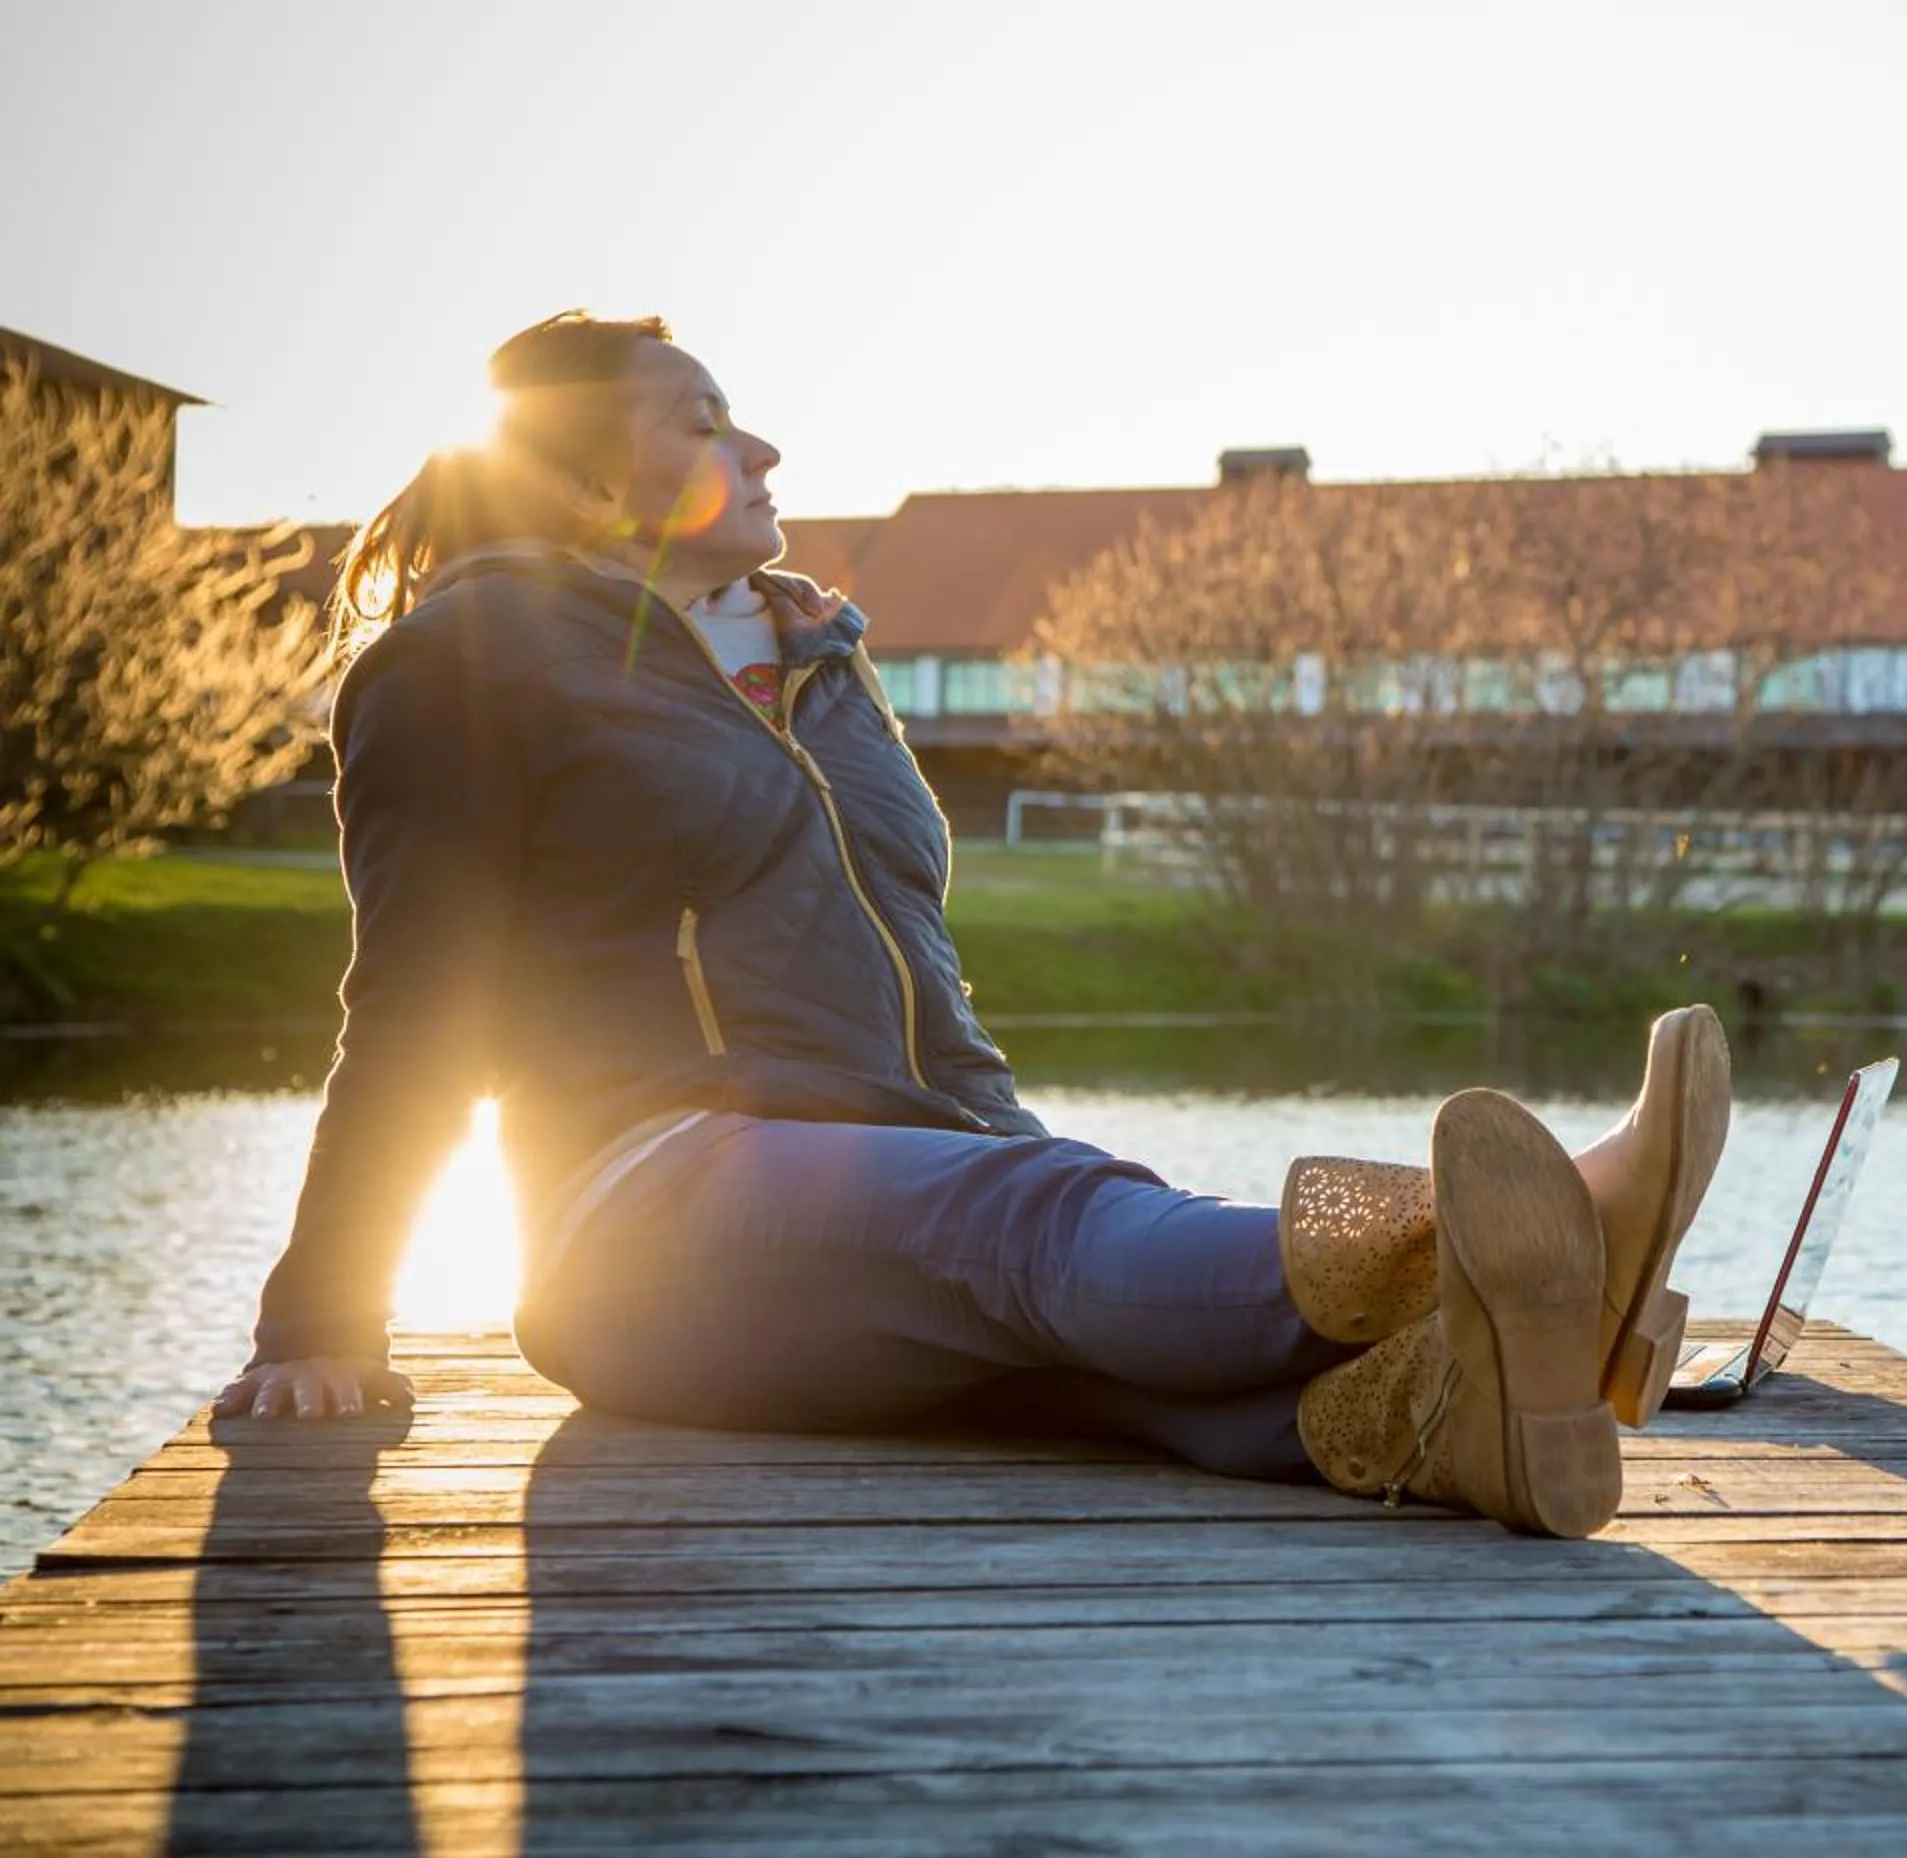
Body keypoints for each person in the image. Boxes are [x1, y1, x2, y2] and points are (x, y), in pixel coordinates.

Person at [216, 311, 1730, 1539]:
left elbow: (902, 944)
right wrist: (323, 1318)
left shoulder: (812, 661)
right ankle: (1547, 1239)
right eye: (704, 419)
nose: (762, 447)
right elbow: (411, 1007)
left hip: (928, 1152)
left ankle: (1473, 1419)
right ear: (583, 487)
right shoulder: (467, 659)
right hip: (646, 1213)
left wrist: (802, 671)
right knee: (1038, 1225)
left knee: (1114, 1369)